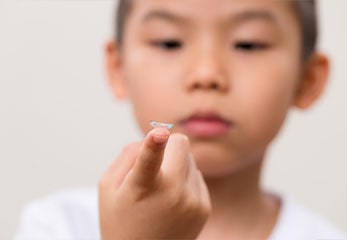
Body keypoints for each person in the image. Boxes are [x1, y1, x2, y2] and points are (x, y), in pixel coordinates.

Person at [15, 0, 347, 239]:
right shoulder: (56, 226)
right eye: (169, 42)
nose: (206, 74)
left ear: (308, 80)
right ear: (119, 69)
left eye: (248, 44)